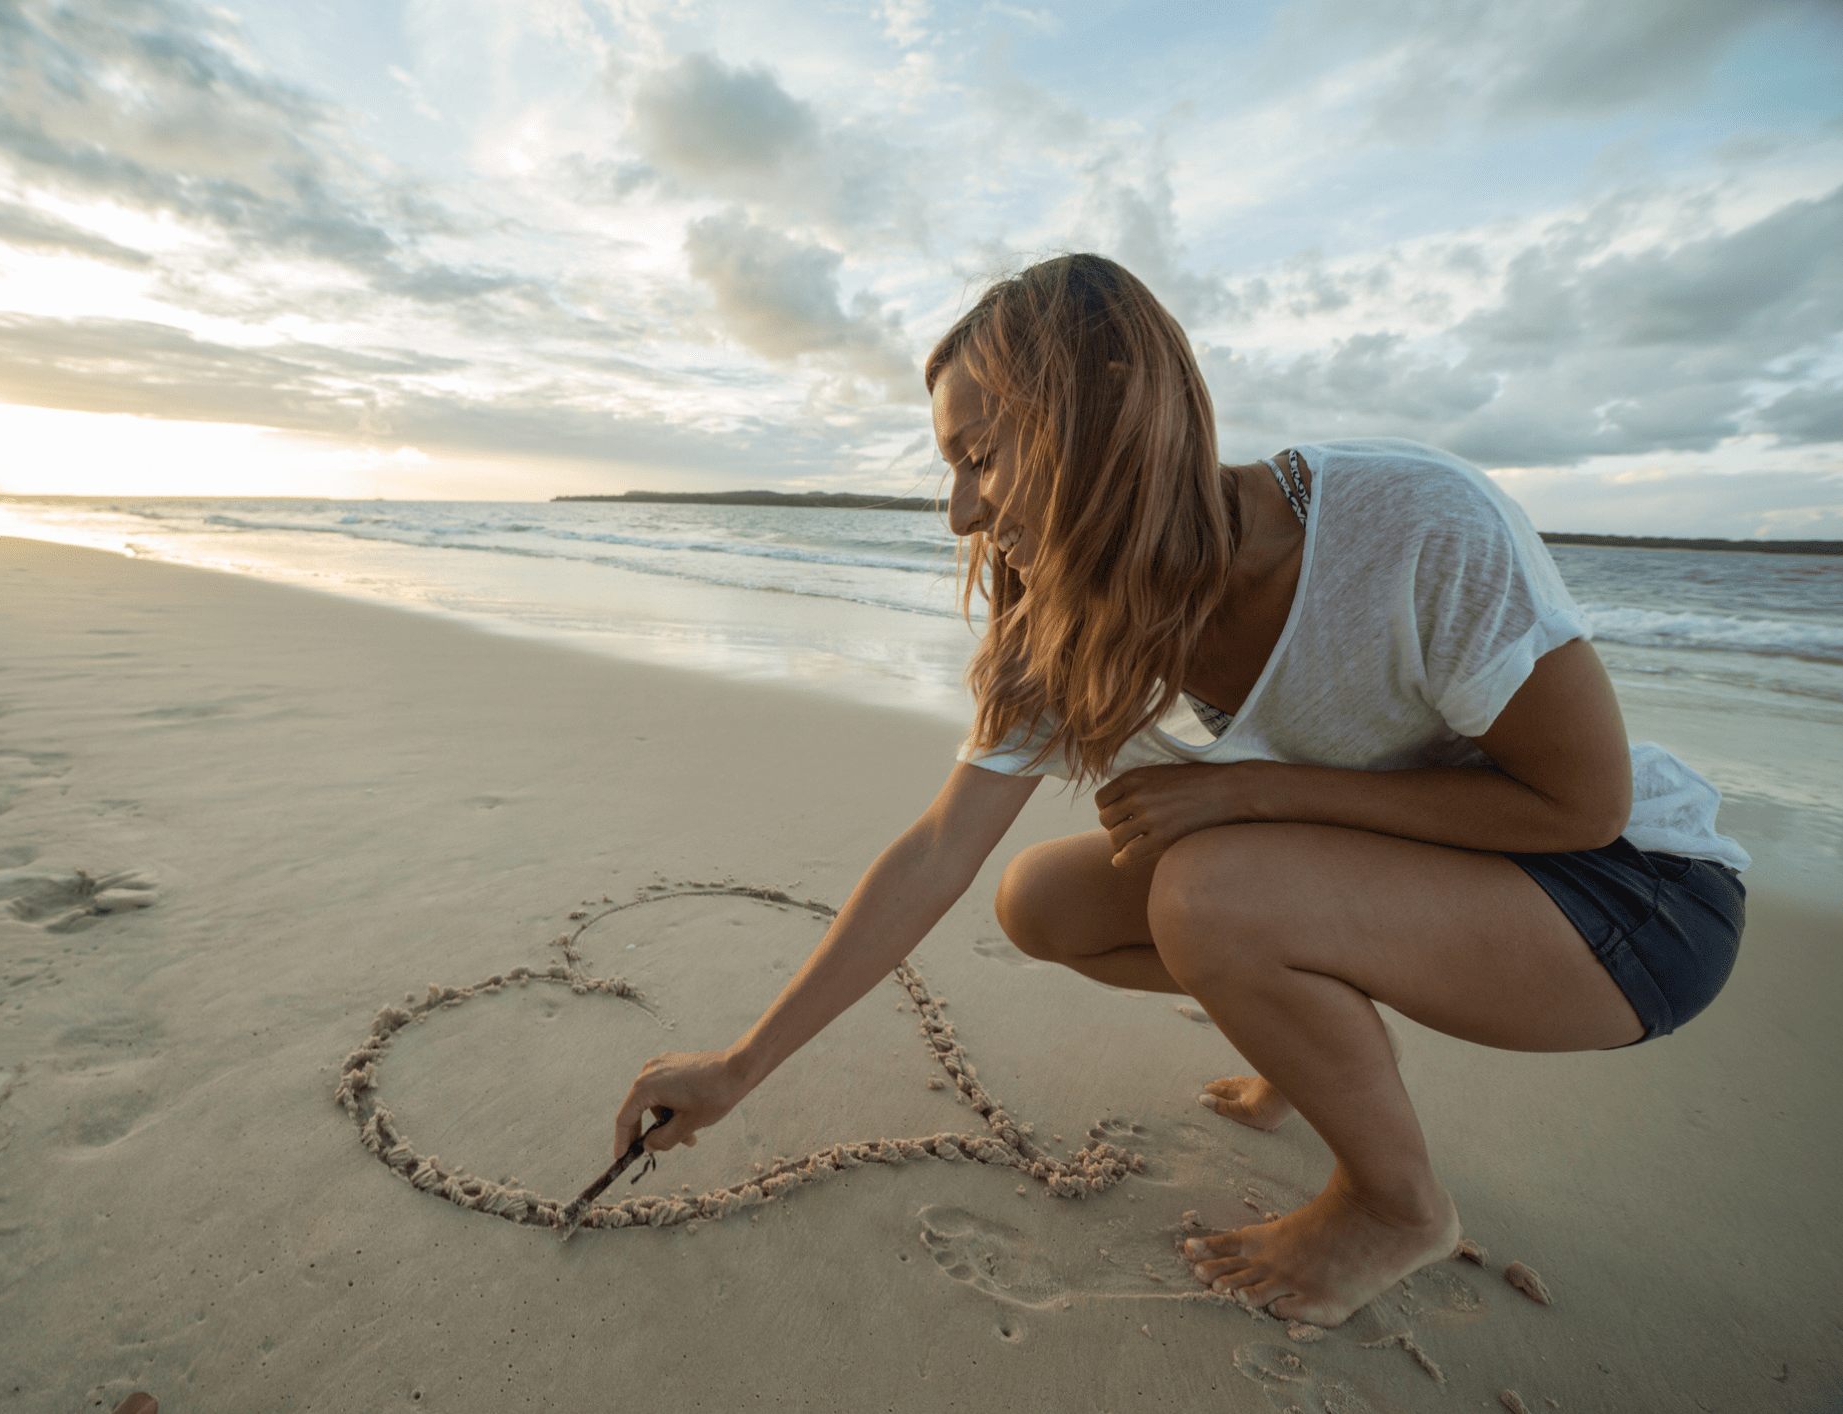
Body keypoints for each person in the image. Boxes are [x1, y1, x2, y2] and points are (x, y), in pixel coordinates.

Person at [610, 253, 1747, 1327]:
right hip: (1447, 884)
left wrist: (1255, 790)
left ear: (1103, 407)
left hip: (1629, 907)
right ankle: (1315, 1037)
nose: (961, 512)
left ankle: (1398, 1202)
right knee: (1040, 898)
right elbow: (936, 853)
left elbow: (1581, 809)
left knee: (1211, 890)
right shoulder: (1073, 615)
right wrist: (740, 1064)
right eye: (952, 470)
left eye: (983, 455)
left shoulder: (1415, 523)